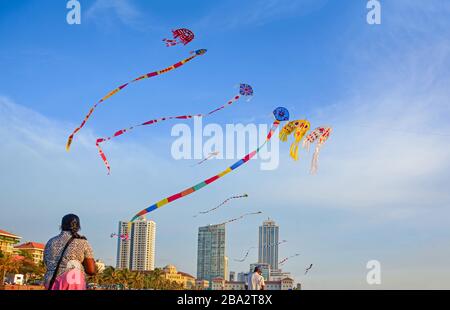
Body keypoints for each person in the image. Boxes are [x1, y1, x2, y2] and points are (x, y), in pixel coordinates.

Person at [44, 214, 96, 290]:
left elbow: (46, 263)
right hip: (72, 280)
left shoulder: (50, 242)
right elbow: (91, 270)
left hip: (50, 281)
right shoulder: (82, 242)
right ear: (78, 227)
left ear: (61, 226)